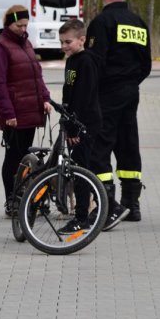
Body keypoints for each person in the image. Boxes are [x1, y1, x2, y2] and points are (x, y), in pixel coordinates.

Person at [85, 0, 152, 227]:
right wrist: (130, 83)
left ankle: (106, 205)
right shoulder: (139, 23)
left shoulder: (101, 24)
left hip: (106, 94)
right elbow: (146, 64)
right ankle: (132, 205)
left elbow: (95, 63)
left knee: (99, 147)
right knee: (128, 144)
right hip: (130, 92)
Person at [0, 4, 52, 216]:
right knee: (13, 157)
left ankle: (24, 197)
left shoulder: (26, 43)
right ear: (9, 23)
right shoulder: (0, 47)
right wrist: (8, 114)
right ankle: (11, 200)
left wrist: (45, 98)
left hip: (30, 111)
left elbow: (37, 75)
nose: (23, 29)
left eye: (26, 25)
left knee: (25, 156)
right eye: (19, 25)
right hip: (15, 114)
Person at [55, 19, 103, 234]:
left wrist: (74, 128)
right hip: (74, 121)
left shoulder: (86, 62)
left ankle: (82, 217)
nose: (64, 46)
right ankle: (109, 206)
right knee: (81, 168)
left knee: (81, 172)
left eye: (68, 42)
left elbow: (84, 98)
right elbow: (69, 93)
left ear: (82, 39)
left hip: (84, 124)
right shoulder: (71, 60)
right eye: (62, 42)